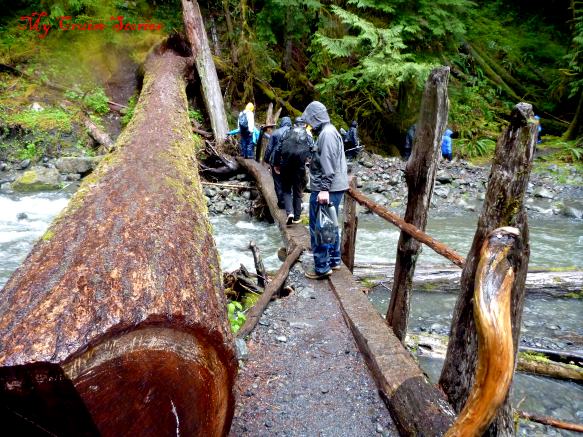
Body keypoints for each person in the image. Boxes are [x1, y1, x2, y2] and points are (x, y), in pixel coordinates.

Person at [301, 101, 348, 279]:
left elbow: (327, 165)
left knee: (319, 227)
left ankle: (321, 267)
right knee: (330, 224)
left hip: (328, 188)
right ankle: (334, 261)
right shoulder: (331, 131)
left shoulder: (326, 135)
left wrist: (323, 189)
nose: (309, 124)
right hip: (336, 186)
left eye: (310, 120)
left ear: (315, 117)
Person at [279, 116, 313, 225]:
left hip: (286, 166)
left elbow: (278, 148)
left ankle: (289, 212)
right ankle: (297, 217)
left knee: (286, 190)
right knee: (298, 191)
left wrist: (275, 163)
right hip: (299, 167)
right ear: (304, 125)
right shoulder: (307, 136)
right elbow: (313, 149)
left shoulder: (287, 133)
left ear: (294, 125)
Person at [264, 116, 292, 209]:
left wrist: (266, 159)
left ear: (282, 123)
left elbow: (269, 148)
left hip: (276, 161)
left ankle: (281, 202)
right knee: (288, 181)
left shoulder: (275, 133)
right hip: (289, 161)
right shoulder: (294, 132)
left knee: (278, 182)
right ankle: (289, 203)